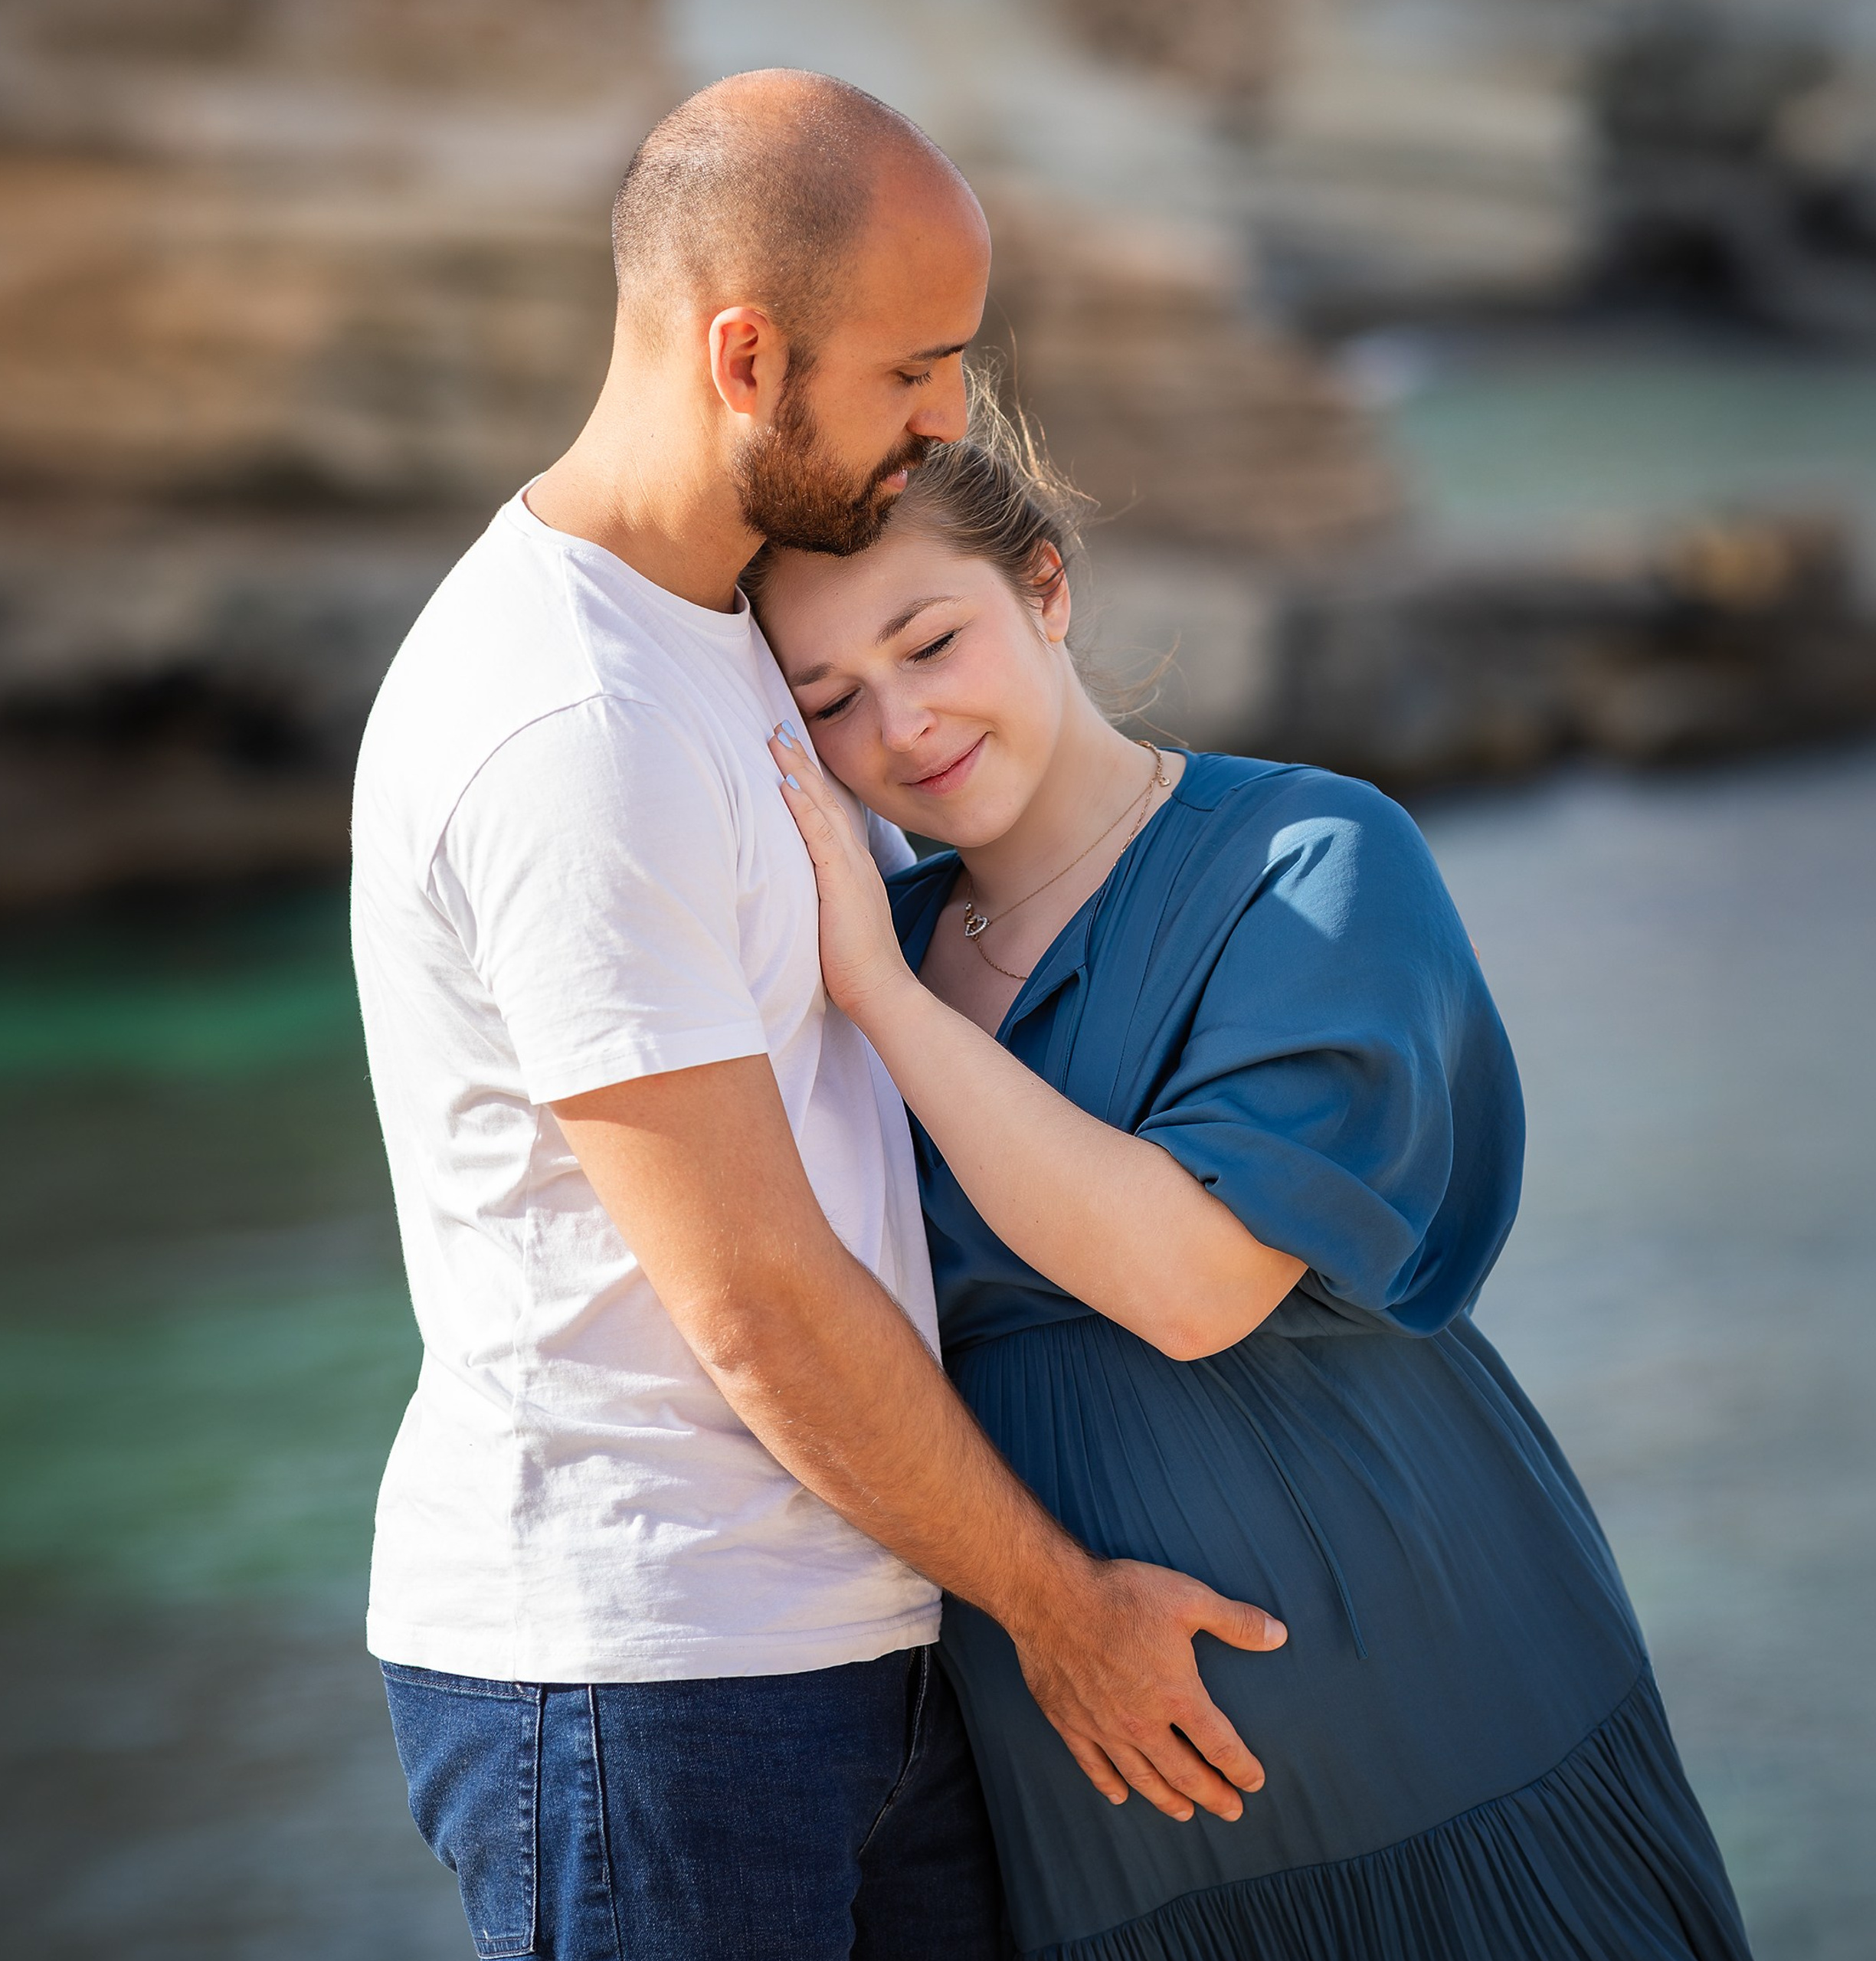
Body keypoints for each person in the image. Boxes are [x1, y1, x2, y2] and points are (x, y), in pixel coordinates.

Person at [350, 71, 1287, 1961]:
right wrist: (1063, 1605)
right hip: (643, 1684)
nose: (950, 417)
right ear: (743, 352)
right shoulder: (575, 724)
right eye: (910, 370)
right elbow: (755, 1294)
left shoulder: (731, 636)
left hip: (847, 1634)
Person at [750, 397, 1756, 1960]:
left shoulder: (1310, 856)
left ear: (1044, 586)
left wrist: (882, 993)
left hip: (1465, 1746)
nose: (899, 725)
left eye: (929, 640)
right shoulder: (843, 965)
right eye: (827, 698)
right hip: (1105, 1837)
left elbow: (1188, 1279)